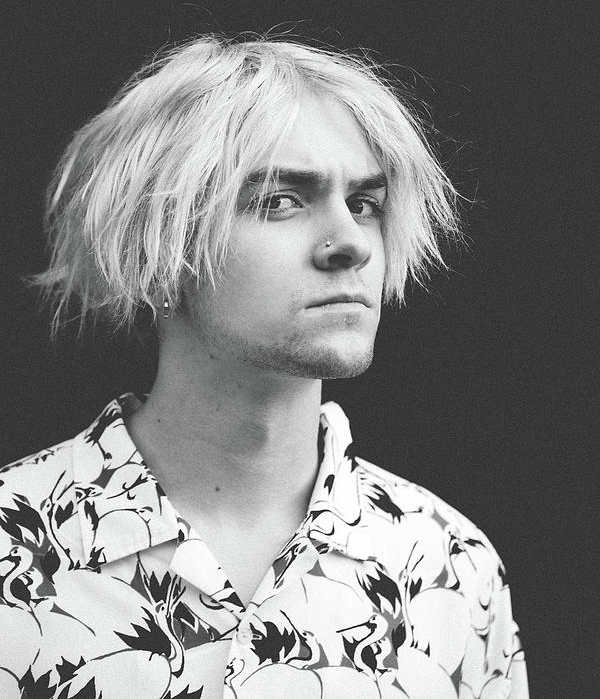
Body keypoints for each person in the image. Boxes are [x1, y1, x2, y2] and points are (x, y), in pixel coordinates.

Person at [0, 34, 529, 698]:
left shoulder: (449, 569)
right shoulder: (11, 548)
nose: (351, 244)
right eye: (281, 200)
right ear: (156, 247)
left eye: (364, 202)